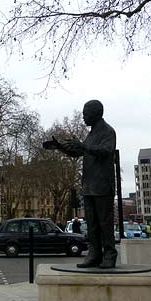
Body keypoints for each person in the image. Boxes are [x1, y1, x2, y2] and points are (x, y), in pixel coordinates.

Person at [43, 100, 117, 269]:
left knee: (105, 224)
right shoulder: (91, 134)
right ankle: (94, 254)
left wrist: (83, 146)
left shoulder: (108, 132)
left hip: (102, 186)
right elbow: (79, 152)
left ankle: (110, 255)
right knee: (91, 225)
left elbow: (105, 151)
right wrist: (59, 147)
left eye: (85, 114)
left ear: (96, 114)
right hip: (89, 186)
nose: (83, 117)